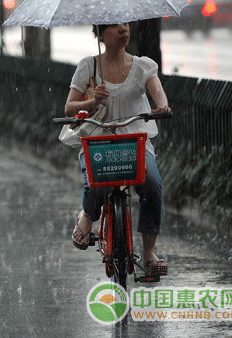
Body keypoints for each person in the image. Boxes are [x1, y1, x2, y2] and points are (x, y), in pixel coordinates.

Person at [65, 23, 171, 278]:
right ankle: (89, 215)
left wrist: (162, 107)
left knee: (152, 185)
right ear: (100, 34)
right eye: (114, 26)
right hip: (98, 139)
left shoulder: (143, 66)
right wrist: (93, 101)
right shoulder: (88, 66)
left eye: (125, 24)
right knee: (97, 184)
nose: (123, 29)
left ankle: (148, 254)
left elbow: (159, 95)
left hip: (135, 141)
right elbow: (69, 108)